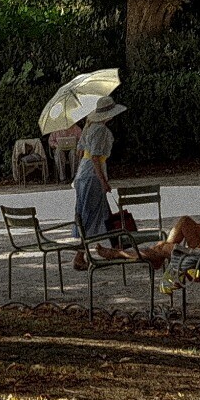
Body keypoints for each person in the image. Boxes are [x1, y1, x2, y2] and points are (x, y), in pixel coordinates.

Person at [71, 95, 126, 270]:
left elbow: (80, 152)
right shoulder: (101, 131)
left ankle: (116, 248)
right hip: (92, 176)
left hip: (83, 174)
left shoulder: (89, 127)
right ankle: (80, 256)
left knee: (102, 214)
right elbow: (95, 157)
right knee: (88, 216)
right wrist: (103, 181)